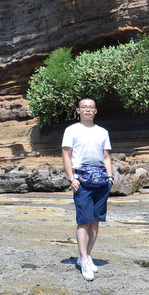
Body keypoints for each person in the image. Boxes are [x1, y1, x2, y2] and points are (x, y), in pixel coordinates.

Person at [61, 97, 113, 281]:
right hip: (81, 179)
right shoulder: (71, 130)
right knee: (84, 221)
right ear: (78, 110)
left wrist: (110, 177)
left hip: (101, 180)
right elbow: (66, 155)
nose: (88, 110)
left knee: (95, 221)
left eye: (91, 107)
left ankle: (87, 255)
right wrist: (71, 178)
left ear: (96, 111)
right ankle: (83, 260)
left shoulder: (103, 132)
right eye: (84, 107)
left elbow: (106, 157)